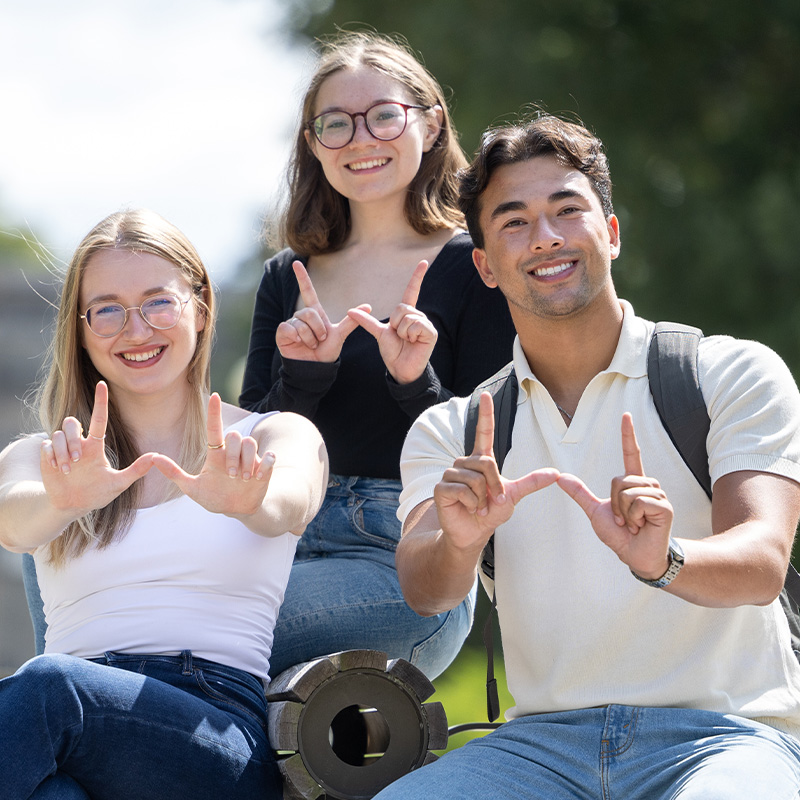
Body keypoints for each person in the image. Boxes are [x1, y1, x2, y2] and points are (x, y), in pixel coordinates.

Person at [374, 114, 800, 799]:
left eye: (567, 210)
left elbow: (761, 564)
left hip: (726, 738)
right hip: (537, 751)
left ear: (612, 232)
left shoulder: (729, 374)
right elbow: (428, 590)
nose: (545, 237)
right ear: (484, 265)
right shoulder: (452, 430)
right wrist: (458, 540)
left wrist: (663, 560)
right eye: (513, 221)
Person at [0, 209, 328, 800]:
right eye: (107, 310)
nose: (136, 329)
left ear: (199, 309)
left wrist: (250, 499)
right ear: (80, 329)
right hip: (70, 730)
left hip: (213, 734)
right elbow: (14, 523)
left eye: (158, 302)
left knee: (48, 687)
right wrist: (61, 498)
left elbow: (292, 501)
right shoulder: (43, 458)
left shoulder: (273, 435)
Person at [238, 31, 515, 679]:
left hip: (404, 558)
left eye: (385, 115)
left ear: (431, 121)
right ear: (313, 143)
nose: (361, 139)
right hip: (279, 540)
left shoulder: (480, 265)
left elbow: (493, 453)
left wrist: (414, 382)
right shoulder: (288, 275)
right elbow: (252, 447)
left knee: (182, 623)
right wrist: (303, 380)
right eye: (335, 124)